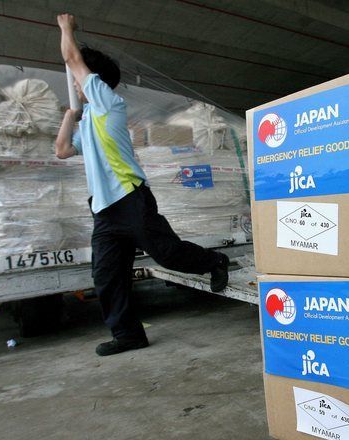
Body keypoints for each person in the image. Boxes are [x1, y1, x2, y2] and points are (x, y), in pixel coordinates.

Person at [54, 14, 230, 356]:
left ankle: (214, 261)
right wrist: (68, 116)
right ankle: (128, 335)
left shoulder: (107, 103)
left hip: (130, 197)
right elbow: (62, 151)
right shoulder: (90, 116)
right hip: (104, 210)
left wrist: (66, 30)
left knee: (167, 253)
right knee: (107, 276)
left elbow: (73, 60)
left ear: (95, 81)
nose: (76, 84)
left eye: (80, 80)